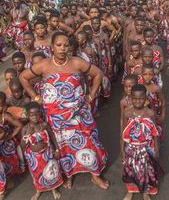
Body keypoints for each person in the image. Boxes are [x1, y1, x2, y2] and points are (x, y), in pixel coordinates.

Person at [19, 32, 109, 190]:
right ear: (52, 47)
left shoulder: (76, 62)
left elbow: (98, 74)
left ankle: (95, 175)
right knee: (63, 145)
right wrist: (35, 97)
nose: (62, 48)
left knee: (88, 140)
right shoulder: (44, 65)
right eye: (59, 45)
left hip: (78, 113)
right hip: (55, 116)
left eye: (66, 45)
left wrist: (91, 96)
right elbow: (23, 78)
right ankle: (69, 175)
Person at [121, 84, 163, 200]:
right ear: (130, 97)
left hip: (147, 148)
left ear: (145, 98)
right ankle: (130, 190)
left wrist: (156, 150)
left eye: (141, 98)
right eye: (135, 98)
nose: (137, 101)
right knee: (131, 170)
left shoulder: (150, 113)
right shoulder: (127, 113)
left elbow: (155, 134)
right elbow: (123, 133)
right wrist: (122, 150)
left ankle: (145, 192)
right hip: (131, 148)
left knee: (147, 170)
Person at [21, 102, 63, 200]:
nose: (35, 117)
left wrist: (57, 149)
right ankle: (38, 190)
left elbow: (52, 136)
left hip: (46, 153)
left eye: (37, 114)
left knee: (51, 171)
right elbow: (22, 145)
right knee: (37, 174)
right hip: (33, 157)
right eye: (31, 115)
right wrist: (28, 135)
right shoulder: (25, 129)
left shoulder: (44, 125)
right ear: (27, 115)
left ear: (40, 113)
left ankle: (53, 189)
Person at [0, 91, 24, 178]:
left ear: (4, 104)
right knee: (0, 161)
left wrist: (10, 136)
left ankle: (13, 175)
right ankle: (4, 175)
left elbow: (19, 125)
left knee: (10, 160)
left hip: (6, 143)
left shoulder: (6, 116)